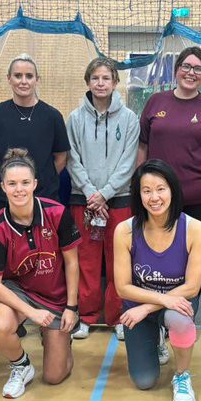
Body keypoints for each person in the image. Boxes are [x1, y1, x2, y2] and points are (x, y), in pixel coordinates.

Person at [0, 149, 81, 399]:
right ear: (2, 186)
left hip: (56, 296)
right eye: (12, 183)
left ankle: (59, 338)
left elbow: (72, 263)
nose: (19, 189)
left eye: (25, 183)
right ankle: (21, 366)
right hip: (20, 293)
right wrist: (31, 313)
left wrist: (72, 307)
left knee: (54, 377)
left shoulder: (57, 213)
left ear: (35, 184)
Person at [114, 160, 201, 401]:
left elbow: (192, 287)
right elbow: (123, 287)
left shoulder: (195, 229)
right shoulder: (124, 230)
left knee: (180, 321)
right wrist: (158, 301)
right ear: (138, 194)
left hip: (171, 303)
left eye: (160, 189)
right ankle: (156, 339)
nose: (154, 197)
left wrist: (148, 306)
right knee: (144, 381)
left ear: (172, 190)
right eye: (146, 190)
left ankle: (182, 375)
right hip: (140, 305)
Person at [67, 57, 139, 341]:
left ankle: (118, 317)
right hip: (83, 200)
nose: (100, 83)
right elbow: (72, 157)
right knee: (86, 259)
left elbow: (128, 160)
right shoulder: (74, 118)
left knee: (118, 260)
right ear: (88, 82)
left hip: (119, 199)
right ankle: (86, 317)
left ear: (115, 82)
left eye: (106, 78)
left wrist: (106, 192)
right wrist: (89, 192)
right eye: (95, 78)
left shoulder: (130, 119)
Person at [137, 46, 201, 225]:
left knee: (195, 252)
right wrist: (139, 186)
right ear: (176, 70)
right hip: (157, 198)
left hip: (199, 199)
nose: (191, 73)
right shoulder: (155, 102)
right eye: (186, 66)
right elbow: (143, 146)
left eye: (198, 69)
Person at [0, 55, 70, 212]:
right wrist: (13, 183)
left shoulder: (53, 116)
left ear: (37, 79)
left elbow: (61, 158)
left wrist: (41, 180)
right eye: (17, 76)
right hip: (6, 200)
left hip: (44, 198)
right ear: (9, 78)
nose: (23, 81)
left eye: (29, 76)